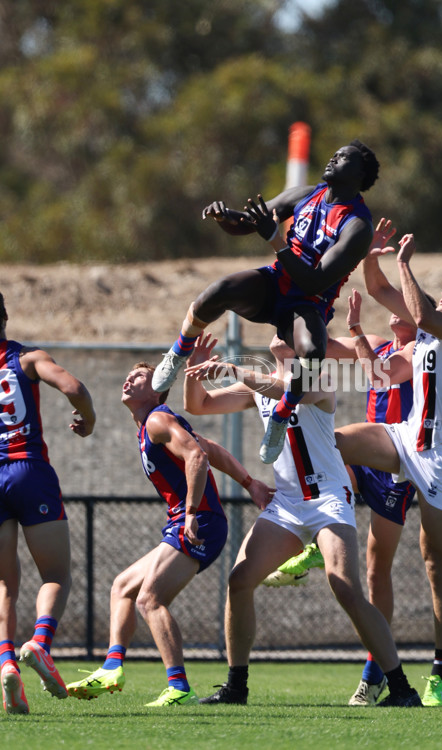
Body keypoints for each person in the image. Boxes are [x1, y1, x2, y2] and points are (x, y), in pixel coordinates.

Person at [182, 331, 422, 708]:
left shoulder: (318, 378)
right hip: (289, 503)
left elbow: (289, 391)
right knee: (240, 580)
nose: (279, 332)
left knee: (344, 586)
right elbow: (198, 406)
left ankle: (403, 689)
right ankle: (235, 688)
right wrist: (191, 371)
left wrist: (232, 369)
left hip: (328, 498)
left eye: (290, 330)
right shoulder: (260, 387)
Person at [334, 227, 442, 708]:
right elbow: (383, 299)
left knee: (434, 562)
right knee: (333, 442)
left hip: (438, 458)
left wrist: (404, 263)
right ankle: (325, 531)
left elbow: (418, 308)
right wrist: (369, 255)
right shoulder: (422, 341)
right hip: (404, 437)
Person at [152, 140, 380, 466]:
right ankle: (177, 352)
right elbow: (249, 222)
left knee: (313, 352)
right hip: (275, 285)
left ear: (360, 174)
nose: (334, 157)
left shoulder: (358, 225)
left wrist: (275, 237)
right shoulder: (306, 195)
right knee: (217, 292)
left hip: (307, 303)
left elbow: (314, 281)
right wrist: (225, 217)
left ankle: (282, 414)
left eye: (345, 157)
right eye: (336, 152)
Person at [65, 362, 273, 707]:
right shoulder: (152, 425)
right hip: (188, 520)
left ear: (158, 389)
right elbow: (209, 448)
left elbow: (196, 457)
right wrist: (251, 484)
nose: (129, 378)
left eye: (140, 376)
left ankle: (178, 687)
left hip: (199, 521)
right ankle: (111, 668)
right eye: (128, 373)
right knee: (123, 587)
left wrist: (191, 512)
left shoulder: (158, 419)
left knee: (150, 599)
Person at [0, 291, 96, 715]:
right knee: (56, 574)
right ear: (4, 317)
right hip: (30, 471)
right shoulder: (27, 358)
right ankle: (39, 644)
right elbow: (73, 386)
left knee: (5, 583)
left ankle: (6, 663)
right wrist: (87, 419)